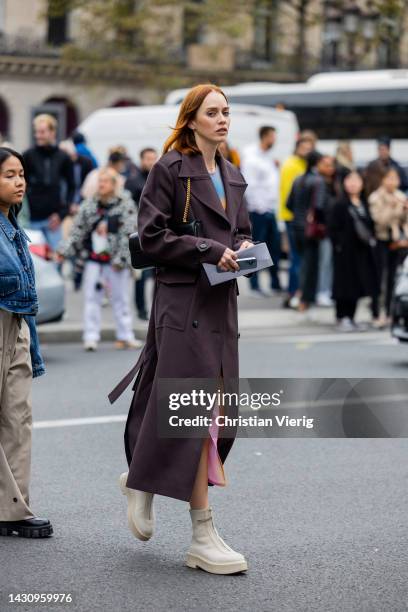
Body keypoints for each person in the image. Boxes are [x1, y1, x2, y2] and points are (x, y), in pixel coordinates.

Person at [109, 83, 252, 575]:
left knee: (213, 413)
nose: (222, 118)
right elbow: (150, 236)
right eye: (212, 112)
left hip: (221, 305)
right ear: (190, 119)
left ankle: (139, 480)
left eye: (226, 111)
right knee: (196, 415)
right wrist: (210, 250)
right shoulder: (170, 169)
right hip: (181, 303)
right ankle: (202, 533)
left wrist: (246, 250)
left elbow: (242, 231)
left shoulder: (232, 173)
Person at [0, 146, 53, 538]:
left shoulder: (14, 227)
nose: (19, 181)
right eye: (9, 175)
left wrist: (30, 344)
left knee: (18, 419)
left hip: (16, 327)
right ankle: (10, 509)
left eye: (21, 174)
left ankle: (12, 507)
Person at [58, 168, 142, 352]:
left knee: (120, 298)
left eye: (105, 181)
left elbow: (129, 232)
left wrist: (121, 259)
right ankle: (90, 337)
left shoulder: (125, 203)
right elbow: (77, 231)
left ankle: (125, 335)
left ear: (114, 184)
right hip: (93, 259)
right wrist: (64, 251)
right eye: (100, 181)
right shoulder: (89, 204)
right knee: (91, 298)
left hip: (116, 261)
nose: (101, 184)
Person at [328, 171, 377, 332]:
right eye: (350, 180)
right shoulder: (339, 204)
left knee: (357, 285)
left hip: (361, 252)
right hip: (344, 253)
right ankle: (341, 317)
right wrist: (339, 245)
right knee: (343, 285)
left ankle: (352, 317)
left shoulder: (364, 203)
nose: (353, 183)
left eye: (357, 180)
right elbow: (333, 229)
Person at [287, 153, 335, 311]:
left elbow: (289, 204)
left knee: (299, 262)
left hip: (296, 226)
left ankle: (299, 296)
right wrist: (322, 223)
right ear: (318, 163)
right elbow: (320, 206)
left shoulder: (298, 178)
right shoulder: (319, 181)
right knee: (310, 264)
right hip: (310, 229)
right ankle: (303, 299)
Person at [23, 114, 75, 251]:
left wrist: (61, 214)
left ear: (52, 132)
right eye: (36, 131)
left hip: (54, 220)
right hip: (31, 220)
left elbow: (72, 186)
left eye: (42, 132)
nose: (38, 135)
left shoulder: (63, 157)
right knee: (32, 262)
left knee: (55, 260)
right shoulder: (28, 155)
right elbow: (21, 184)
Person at [241, 125, 281, 297]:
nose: (275, 140)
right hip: (258, 211)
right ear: (265, 136)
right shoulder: (252, 158)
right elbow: (250, 186)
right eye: (272, 136)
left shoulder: (267, 157)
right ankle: (254, 285)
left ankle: (275, 283)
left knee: (273, 248)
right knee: (254, 249)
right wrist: (260, 207)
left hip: (270, 210)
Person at [368, 167, 408, 327]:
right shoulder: (376, 197)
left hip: (397, 241)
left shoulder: (400, 196)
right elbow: (380, 222)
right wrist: (392, 208)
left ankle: (392, 312)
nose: (392, 182)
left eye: (395, 178)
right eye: (389, 178)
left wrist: (404, 210)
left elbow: (404, 221)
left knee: (394, 277)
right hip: (382, 240)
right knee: (379, 277)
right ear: (383, 180)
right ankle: (377, 312)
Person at [279, 136, 315, 308]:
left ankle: (298, 293)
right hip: (292, 217)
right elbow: (289, 195)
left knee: (300, 258)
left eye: (310, 148)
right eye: (305, 148)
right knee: (296, 258)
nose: (307, 151)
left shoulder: (301, 164)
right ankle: (293, 293)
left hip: (297, 217)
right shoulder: (292, 165)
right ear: (298, 148)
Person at [125, 148, 158, 320]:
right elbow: (128, 208)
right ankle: (141, 310)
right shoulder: (133, 181)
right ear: (141, 159)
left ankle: (155, 309)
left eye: (154, 158)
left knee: (158, 274)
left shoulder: (160, 179)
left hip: (157, 231)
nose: (151, 161)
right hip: (139, 232)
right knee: (142, 274)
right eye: (148, 158)